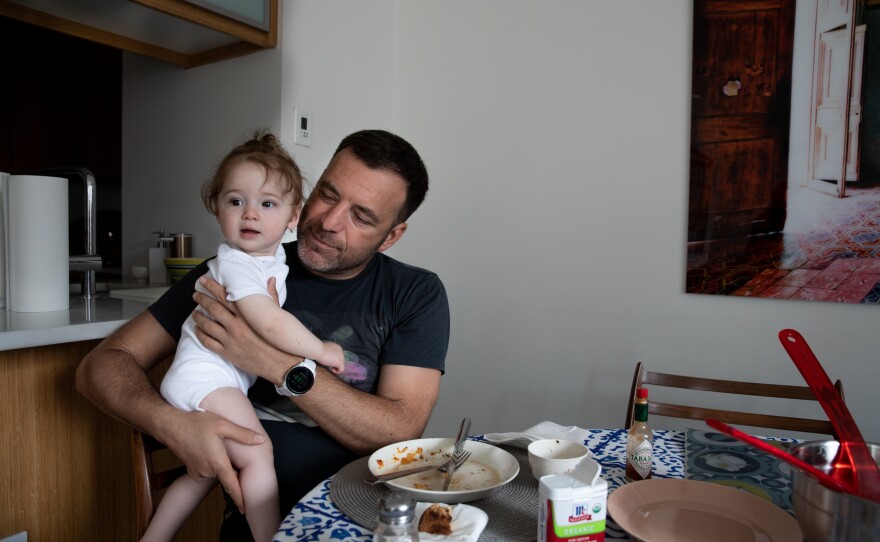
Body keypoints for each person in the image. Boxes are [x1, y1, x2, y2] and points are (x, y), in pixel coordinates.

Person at [75, 129, 450, 541]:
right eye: (327, 194)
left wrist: (272, 362)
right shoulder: (241, 265)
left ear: (391, 236)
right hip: (257, 524)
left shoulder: (415, 293)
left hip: (362, 523)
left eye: (360, 217)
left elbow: (398, 430)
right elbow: (103, 364)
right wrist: (171, 424)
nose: (328, 222)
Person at [140, 132, 346, 542]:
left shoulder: (267, 262)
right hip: (206, 380)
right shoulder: (238, 264)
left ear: (293, 215)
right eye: (236, 202)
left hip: (205, 380)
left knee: (203, 474)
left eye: (267, 204)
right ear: (217, 208)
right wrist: (321, 350)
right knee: (257, 453)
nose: (250, 214)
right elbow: (268, 323)